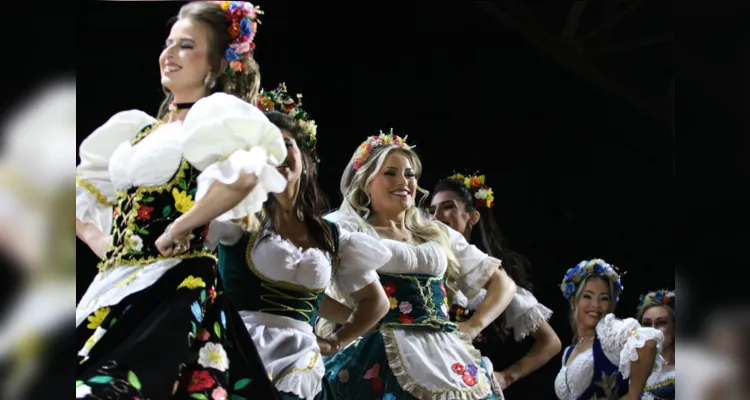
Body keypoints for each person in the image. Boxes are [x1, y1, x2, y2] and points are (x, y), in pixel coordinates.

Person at [75, 2, 285, 398]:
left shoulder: (213, 117)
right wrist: (99, 241)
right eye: (168, 43)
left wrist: (181, 225)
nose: (169, 54)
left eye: (186, 45)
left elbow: (244, 176)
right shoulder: (137, 129)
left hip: (174, 284)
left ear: (216, 65)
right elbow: (78, 196)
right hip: (114, 283)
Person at [210, 83, 391, 399]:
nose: (278, 153)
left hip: (303, 363)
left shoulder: (332, 235)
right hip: (241, 353)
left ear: (304, 158)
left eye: (286, 144)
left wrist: (337, 341)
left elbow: (376, 303)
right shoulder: (237, 218)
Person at [321, 131, 517, 399]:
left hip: (446, 355)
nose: (404, 181)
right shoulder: (345, 227)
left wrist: (474, 325)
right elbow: (303, 286)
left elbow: (503, 283)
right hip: (376, 355)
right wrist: (359, 322)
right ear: (365, 182)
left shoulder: (436, 232)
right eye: (390, 173)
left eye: (410, 174)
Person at [430, 173, 561, 392]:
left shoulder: (497, 276)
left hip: (472, 386)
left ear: (472, 217)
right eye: (432, 210)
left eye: (447, 206)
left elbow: (551, 342)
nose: (437, 216)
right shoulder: (429, 262)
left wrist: (507, 377)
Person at [554, 259, 663, 400]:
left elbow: (648, 343)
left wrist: (632, 395)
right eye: (587, 296)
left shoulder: (609, 333)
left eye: (603, 298)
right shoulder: (569, 352)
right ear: (574, 300)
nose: (595, 305)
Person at [636, 290, 675, 400]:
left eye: (661, 323)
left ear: (674, 328)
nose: (652, 330)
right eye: (647, 324)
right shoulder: (630, 369)